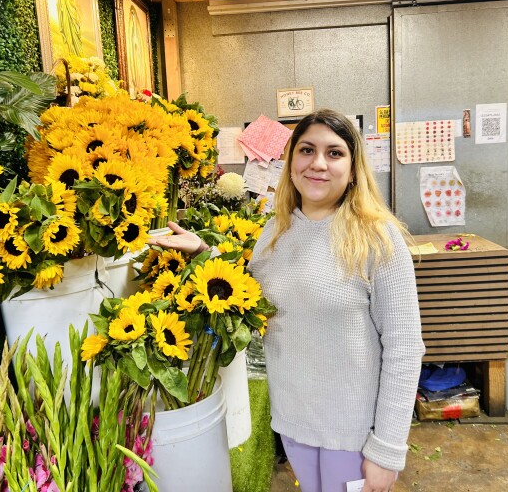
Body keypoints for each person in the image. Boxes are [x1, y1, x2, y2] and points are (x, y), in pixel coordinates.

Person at [149, 109, 425, 492]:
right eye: (307, 150)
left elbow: (405, 348)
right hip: (294, 423)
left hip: (353, 434)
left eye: (334, 153)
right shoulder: (275, 232)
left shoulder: (377, 238)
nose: (318, 164)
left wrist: (388, 448)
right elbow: (255, 294)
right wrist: (203, 253)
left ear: (354, 166)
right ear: (291, 160)